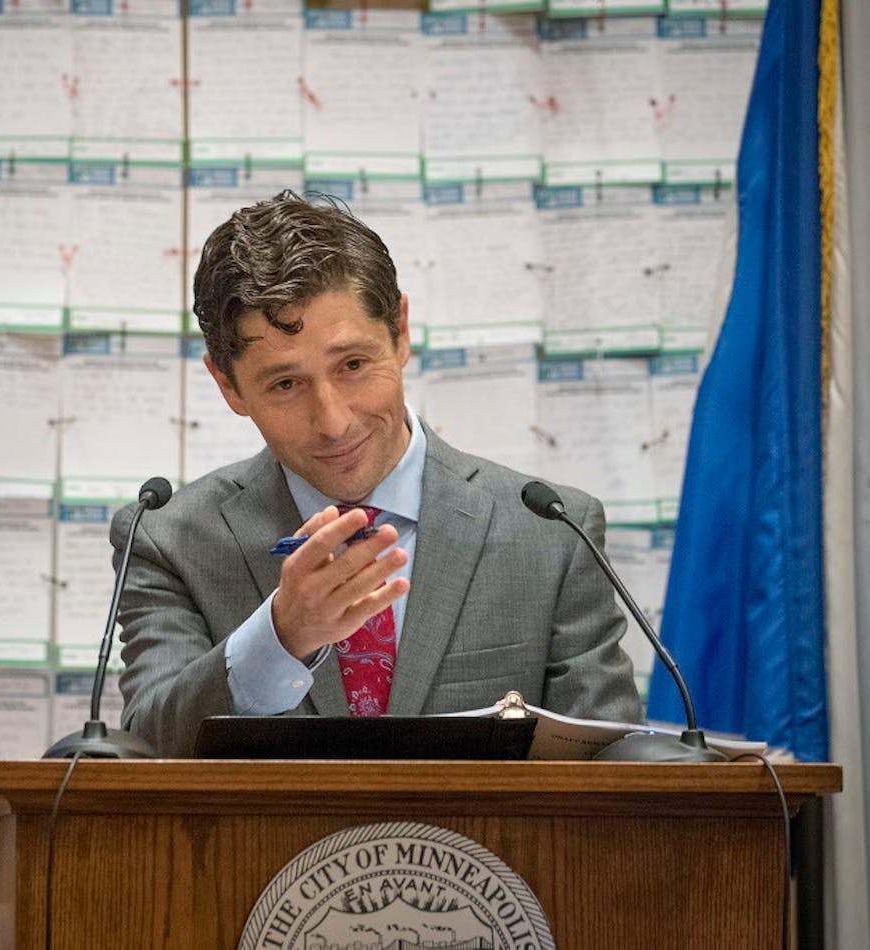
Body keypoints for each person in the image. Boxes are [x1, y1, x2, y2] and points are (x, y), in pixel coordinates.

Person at [111, 191, 642, 757]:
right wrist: (281, 637)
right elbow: (143, 750)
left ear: (401, 331)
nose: (334, 423)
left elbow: (613, 778)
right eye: (285, 384)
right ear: (228, 385)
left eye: (354, 366)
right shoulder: (168, 540)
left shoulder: (553, 532)